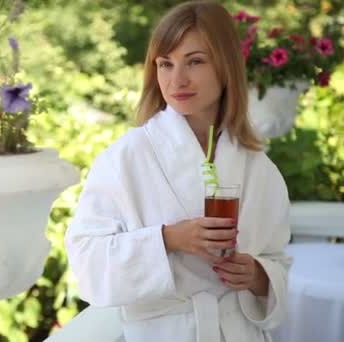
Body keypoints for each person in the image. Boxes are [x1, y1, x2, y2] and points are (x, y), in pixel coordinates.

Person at [64, 1, 292, 342]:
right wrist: (169, 239)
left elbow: (277, 260)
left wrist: (257, 275)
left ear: (226, 66)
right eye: (165, 64)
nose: (177, 80)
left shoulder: (258, 165)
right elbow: (85, 261)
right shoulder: (125, 158)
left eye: (195, 61)